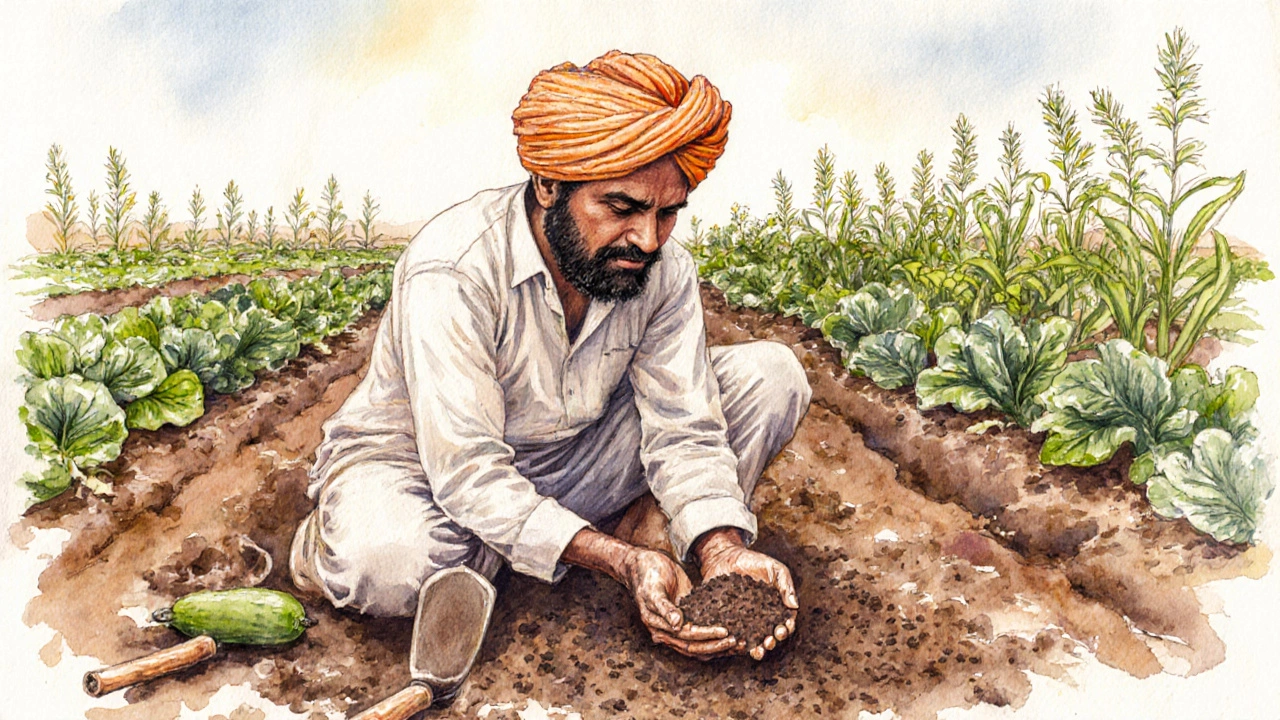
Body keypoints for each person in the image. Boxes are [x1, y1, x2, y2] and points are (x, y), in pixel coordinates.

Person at [289, 50, 811, 661]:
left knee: (772, 376)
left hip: (572, 455)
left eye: (667, 213)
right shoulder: (453, 267)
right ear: (548, 185)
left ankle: (617, 532)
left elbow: (685, 424)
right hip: (423, 467)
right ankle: (330, 545)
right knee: (389, 565)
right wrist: (619, 561)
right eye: (622, 208)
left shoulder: (662, 270)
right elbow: (465, 468)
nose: (648, 239)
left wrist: (721, 548)